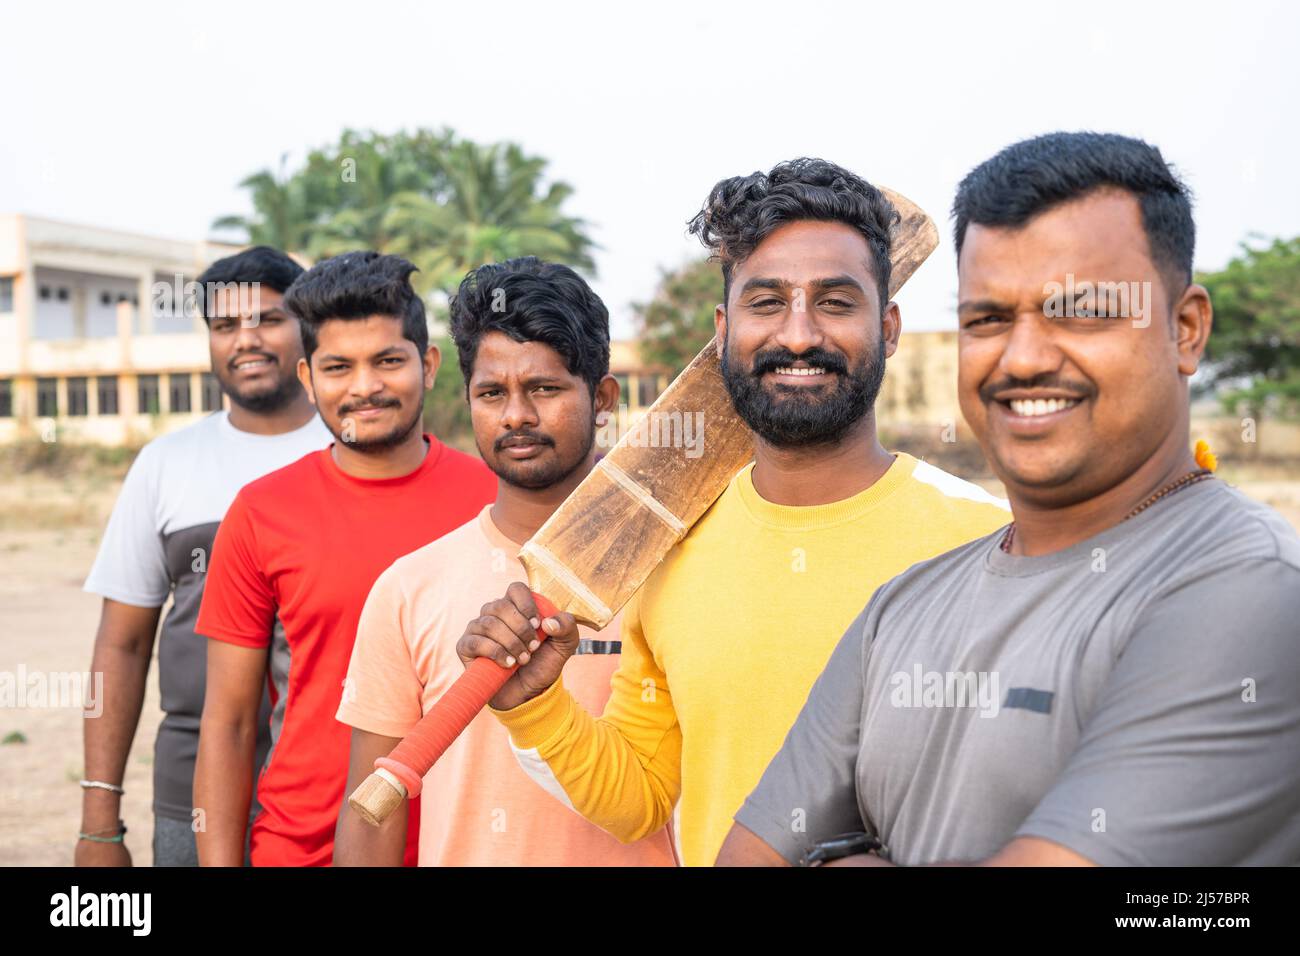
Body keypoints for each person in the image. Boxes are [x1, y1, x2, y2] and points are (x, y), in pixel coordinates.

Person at [718, 132, 1300, 867]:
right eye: (988, 319)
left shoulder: (1251, 591)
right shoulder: (901, 609)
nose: (1023, 358)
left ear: (1186, 330)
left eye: (1081, 311)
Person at [456, 159, 1011, 866]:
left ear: (891, 325)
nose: (800, 334)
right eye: (767, 302)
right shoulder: (669, 554)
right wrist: (536, 705)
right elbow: (640, 799)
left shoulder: (987, 541)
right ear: (723, 330)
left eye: (836, 302)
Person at [334, 258, 676, 866]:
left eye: (544, 389)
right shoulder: (410, 587)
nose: (516, 415)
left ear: (602, 398)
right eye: (492, 393)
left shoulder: (676, 571)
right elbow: (371, 812)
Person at [193, 252, 495, 866]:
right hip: (302, 849)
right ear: (307, 378)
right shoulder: (259, 513)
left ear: (429, 364)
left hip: (460, 846)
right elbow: (227, 723)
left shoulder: (496, 500)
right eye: (338, 367)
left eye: (387, 360)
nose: (364, 387)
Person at [78, 247, 329, 867]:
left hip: (332, 788)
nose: (247, 340)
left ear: (305, 329)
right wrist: (98, 823)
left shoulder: (354, 448)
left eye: (268, 319)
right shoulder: (166, 464)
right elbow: (123, 644)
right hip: (190, 789)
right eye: (225, 326)